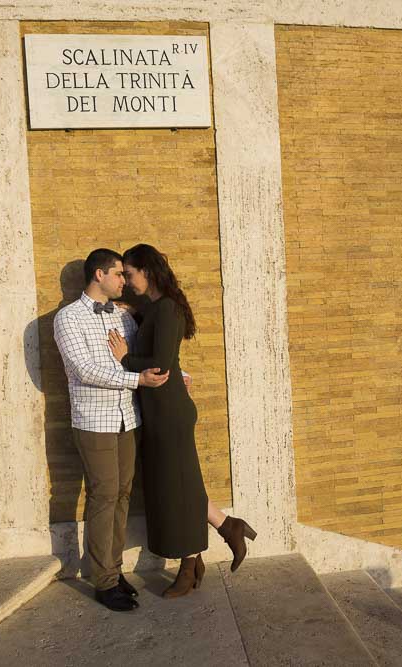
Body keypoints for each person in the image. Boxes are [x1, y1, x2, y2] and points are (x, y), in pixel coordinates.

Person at [108, 243, 257, 598]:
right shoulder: (157, 309)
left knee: (178, 489)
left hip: (170, 411)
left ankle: (191, 566)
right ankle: (227, 528)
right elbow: (158, 345)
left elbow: (159, 365)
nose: (127, 282)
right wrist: (134, 313)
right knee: (180, 486)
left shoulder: (168, 310)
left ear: (147, 270)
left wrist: (126, 357)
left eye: (130, 274)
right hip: (161, 409)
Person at [52, 248, 170, 612]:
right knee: (103, 496)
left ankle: (113, 570)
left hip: (126, 417)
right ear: (100, 275)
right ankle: (103, 581)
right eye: (119, 274)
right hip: (94, 422)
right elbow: (84, 370)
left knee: (121, 496)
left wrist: (173, 377)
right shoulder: (68, 318)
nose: (124, 281)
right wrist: (137, 379)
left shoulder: (123, 318)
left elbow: (139, 359)